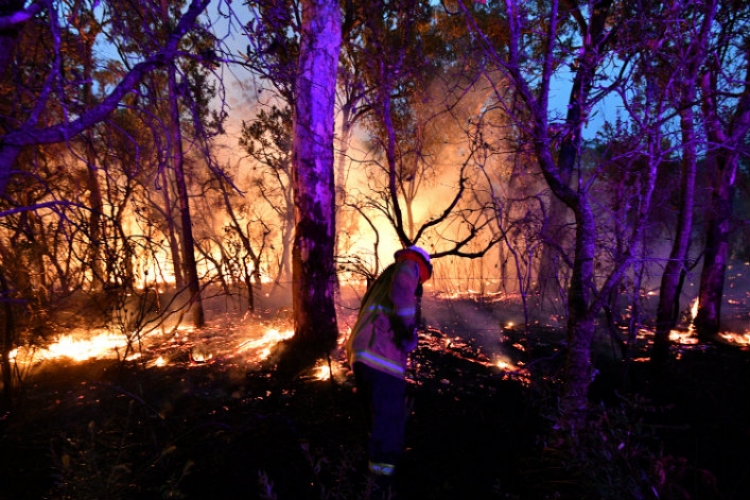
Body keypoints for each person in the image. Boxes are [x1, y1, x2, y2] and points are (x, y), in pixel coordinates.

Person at [346, 245, 433, 479]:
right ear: (423, 267)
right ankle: (382, 481)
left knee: (374, 420)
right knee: (388, 421)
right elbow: (404, 286)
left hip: (363, 355)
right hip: (381, 357)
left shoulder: (384, 278)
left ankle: (369, 473)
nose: (420, 283)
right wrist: (408, 329)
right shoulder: (409, 265)